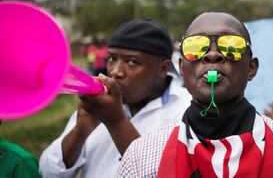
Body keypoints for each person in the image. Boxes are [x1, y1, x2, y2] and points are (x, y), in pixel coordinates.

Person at [117, 12, 273, 177]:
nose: (212, 54)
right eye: (195, 46)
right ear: (181, 67)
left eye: (231, 46)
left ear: (251, 68)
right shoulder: (142, 156)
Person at [39, 20, 192, 178]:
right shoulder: (97, 106)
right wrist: (80, 132)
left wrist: (116, 122)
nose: (115, 72)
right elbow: (47, 172)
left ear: (163, 68)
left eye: (133, 62)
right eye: (111, 59)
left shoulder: (187, 110)